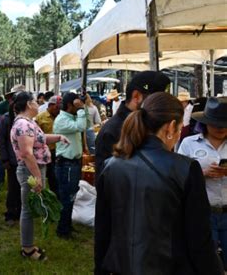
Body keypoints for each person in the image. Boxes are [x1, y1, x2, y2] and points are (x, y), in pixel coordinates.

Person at [95, 92, 222, 275]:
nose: (179, 135)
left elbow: (103, 232)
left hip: (119, 267)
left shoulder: (111, 166)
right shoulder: (185, 168)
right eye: (179, 129)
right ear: (171, 127)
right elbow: (199, 238)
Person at [10, 91, 68, 261]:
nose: (38, 104)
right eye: (35, 101)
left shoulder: (28, 123)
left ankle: (28, 245)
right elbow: (27, 154)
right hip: (30, 171)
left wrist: (58, 137)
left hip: (33, 170)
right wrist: (37, 178)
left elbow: (40, 139)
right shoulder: (23, 125)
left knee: (29, 209)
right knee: (27, 210)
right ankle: (27, 249)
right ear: (28, 104)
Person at [178, 96, 227, 268]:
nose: (221, 128)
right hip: (203, 212)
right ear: (206, 122)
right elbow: (178, 177)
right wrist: (200, 174)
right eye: (216, 123)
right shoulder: (188, 144)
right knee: (207, 261)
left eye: (224, 123)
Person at [95, 71, 170, 180]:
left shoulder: (150, 125)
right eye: (156, 100)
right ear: (136, 96)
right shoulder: (113, 131)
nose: (161, 107)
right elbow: (106, 181)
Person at [53, 92, 88, 239]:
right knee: (67, 197)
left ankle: (66, 225)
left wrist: (84, 107)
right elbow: (81, 126)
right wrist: (81, 110)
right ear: (70, 105)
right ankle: (63, 230)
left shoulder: (71, 117)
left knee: (71, 196)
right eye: (76, 104)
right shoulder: (61, 120)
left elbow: (88, 124)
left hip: (72, 163)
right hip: (66, 164)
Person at [0, 84, 25, 202]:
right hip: (7, 145)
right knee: (1, 166)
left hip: (20, 149)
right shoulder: (2, 107)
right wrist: (2, 148)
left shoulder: (26, 109)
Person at [35, 95, 61, 195]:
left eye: (60, 108)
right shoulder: (40, 117)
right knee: (50, 175)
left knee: (56, 176)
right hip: (47, 151)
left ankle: (57, 195)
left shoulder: (61, 116)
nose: (58, 110)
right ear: (50, 105)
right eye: (56, 107)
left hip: (59, 150)